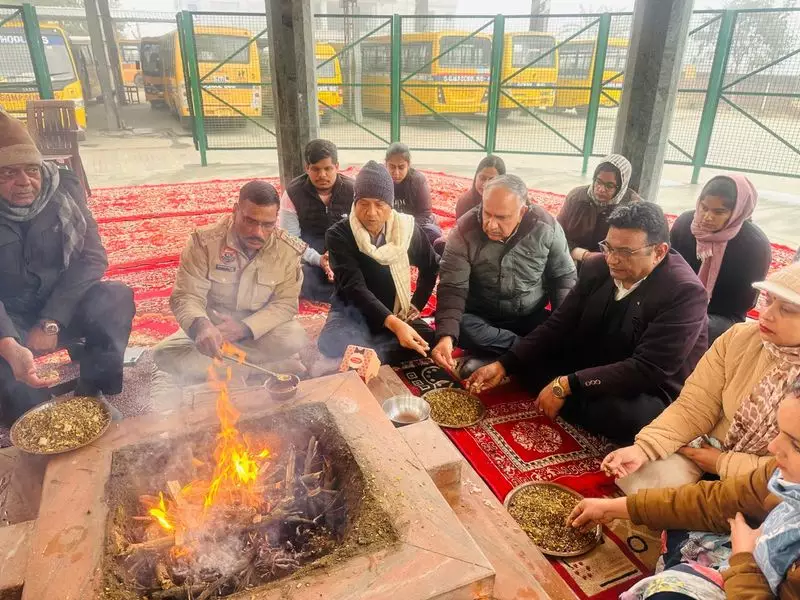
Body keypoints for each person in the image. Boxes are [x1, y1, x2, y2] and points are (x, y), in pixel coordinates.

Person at [466, 202, 709, 445]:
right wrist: (505, 363)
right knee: (531, 357)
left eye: (625, 252)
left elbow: (647, 369)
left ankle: (565, 395)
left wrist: (567, 384)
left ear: (659, 251)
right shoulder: (597, 266)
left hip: (645, 385)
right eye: (608, 247)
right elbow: (559, 324)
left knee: (629, 419)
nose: (612, 259)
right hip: (595, 361)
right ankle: (564, 393)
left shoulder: (684, 293)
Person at [568, 385, 800, 600]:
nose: (773, 447)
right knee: (679, 523)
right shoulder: (780, 476)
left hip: (749, 576)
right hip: (750, 555)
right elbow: (715, 501)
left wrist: (744, 564)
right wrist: (614, 508)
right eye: (779, 431)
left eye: (796, 445)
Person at [601, 262, 800, 493]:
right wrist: (645, 448)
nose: (767, 314)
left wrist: (723, 464)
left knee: (770, 506)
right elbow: (695, 405)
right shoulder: (740, 338)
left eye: (786, 309)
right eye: (768, 300)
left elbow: (793, 472)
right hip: (711, 447)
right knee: (642, 483)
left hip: (776, 478)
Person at [0, 112, 134, 425]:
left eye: (32, 169)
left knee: (115, 298)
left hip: (59, 306)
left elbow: (92, 258)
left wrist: (52, 319)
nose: (25, 182)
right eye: (8, 172)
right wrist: (7, 342)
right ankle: (33, 412)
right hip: (8, 317)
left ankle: (91, 394)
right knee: (24, 407)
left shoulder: (63, 190)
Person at [153, 180, 308, 383]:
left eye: (267, 225)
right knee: (164, 354)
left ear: (276, 219)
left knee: (294, 337)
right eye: (249, 221)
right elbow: (187, 295)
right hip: (214, 331)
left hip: (258, 332)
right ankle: (267, 367)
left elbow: (285, 304)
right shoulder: (204, 244)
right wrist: (201, 326)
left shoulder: (287, 250)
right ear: (235, 211)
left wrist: (243, 328)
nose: (257, 232)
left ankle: (227, 367)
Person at [431, 174, 576, 375]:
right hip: (483, 318)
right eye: (487, 214)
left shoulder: (546, 228)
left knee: (565, 330)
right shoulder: (464, 230)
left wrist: (562, 329)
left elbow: (563, 279)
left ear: (522, 212)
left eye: (501, 217)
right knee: (460, 328)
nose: (491, 224)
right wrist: (446, 337)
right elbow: (453, 287)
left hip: (530, 315)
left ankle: (499, 357)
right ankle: (529, 351)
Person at [317, 161, 439, 365]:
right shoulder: (339, 235)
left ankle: (368, 350)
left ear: (390, 206)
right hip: (352, 310)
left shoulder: (406, 230)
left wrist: (416, 303)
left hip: (394, 310)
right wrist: (395, 325)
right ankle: (381, 347)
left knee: (429, 340)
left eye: (379, 204)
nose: (371, 213)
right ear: (354, 203)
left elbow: (431, 265)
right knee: (330, 342)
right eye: (363, 204)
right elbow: (354, 287)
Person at [671, 174, 771, 343]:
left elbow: (744, 302)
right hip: (677, 302)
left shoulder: (754, 245)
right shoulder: (684, 225)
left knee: (687, 328)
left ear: (738, 211)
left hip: (722, 315)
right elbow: (667, 269)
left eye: (719, 212)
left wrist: (692, 312)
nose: (707, 217)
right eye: (704, 208)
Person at [279, 139, 354, 302]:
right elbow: (290, 240)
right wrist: (318, 259)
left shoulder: (353, 191)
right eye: (316, 169)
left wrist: (340, 257)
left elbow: (364, 232)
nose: (322, 175)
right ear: (307, 168)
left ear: (337, 167)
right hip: (309, 258)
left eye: (328, 168)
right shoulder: (293, 193)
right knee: (288, 271)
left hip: (347, 256)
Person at [557, 153, 641, 267]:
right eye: (598, 182)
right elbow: (557, 233)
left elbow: (632, 249)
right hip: (571, 256)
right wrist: (582, 254)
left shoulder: (633, 207)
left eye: (609, 186)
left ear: (621, 186)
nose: (601, 189)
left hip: (611, 265)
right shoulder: (576, 197)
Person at [384, 143, 442, 246]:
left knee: (434, 233)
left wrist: (405, 230)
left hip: (413, 225)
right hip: (387, 225)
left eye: (401, 167)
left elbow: (424, 212)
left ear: (408, 165)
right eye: (392, 167)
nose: (396, 173)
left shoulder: (417, 180)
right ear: (386, 164)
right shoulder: (381, 179)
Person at [455, 155, 506, 220]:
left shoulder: (509, 203)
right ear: (476, 177)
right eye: (482, 178)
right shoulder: (465, 202)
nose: (486, 184)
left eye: (492, 180)